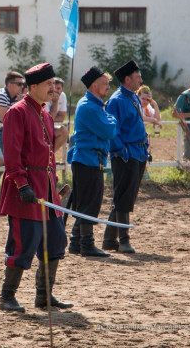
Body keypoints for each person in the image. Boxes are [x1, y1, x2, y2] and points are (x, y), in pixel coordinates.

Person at [0, 63, 71, 312]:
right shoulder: (16, 112)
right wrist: (21, 184)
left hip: (47, 189)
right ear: (34, 87)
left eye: (54, 84)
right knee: (23, 244)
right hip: (26, 191)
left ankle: (44, 296)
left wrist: (54, 184)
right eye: (49, 85)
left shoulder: (46, 114)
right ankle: (7, 297)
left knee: (56, 242)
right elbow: (12, 155)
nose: (54, 89)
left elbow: (48, 154)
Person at [66, 66, 117, 257]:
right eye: (105, 84)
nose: (108, 88)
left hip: (89, 159)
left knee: (85, 202)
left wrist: (108, 117)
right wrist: (111, 118)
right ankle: (86, 244)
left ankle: (76, 242)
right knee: (89, 203)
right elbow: (109, 131)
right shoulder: (89, 106)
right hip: (88, 159)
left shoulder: (94, 105)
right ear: (94, 85)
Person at [102, 60, 148, 254]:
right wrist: (123, 151)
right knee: (123, 197)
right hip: (127, 154)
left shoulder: (132, 97)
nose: (141, 80)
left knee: (126, 196)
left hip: (138, 152)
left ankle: (109, 239)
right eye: (137, 77)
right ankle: (124, 240)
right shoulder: (117, 100)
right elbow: (113, 130)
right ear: (127, 79)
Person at [45, 77, 69, 152]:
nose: (55, 91)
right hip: (41, 127)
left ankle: (50, 154)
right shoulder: (46, 96)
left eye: (58, 88)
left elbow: (61, 117)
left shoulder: (63, 96)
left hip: (51, 125)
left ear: (62, 89)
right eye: (54, 88)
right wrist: (55, 102)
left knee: (64, 131)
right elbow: (48, 119)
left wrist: (51, 119)